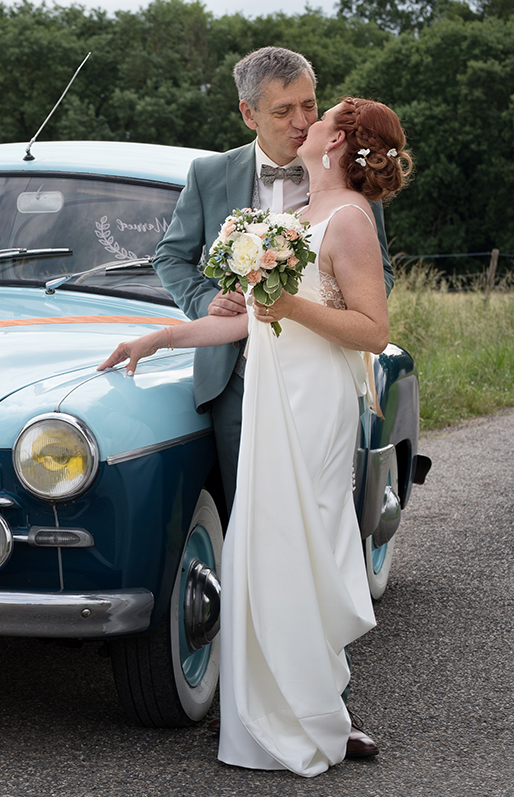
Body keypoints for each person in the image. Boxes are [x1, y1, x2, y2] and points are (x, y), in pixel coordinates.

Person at [98, 96, 414, 776]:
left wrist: (292, 303)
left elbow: (374, 329)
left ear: (337, 146)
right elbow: (247, 323)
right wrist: (159, 337)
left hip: (315, 405)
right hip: (272, 402)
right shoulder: (294, 220)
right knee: (262, 553)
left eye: (321, 119)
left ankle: (313, 716)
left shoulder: (352, 221)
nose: (308, 125)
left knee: (302, 550)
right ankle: (273, 717)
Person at [151, 46, 394, 516]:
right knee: (247, 510)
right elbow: (171, 257)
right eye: (283, 111)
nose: (301, 122)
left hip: (319, 372)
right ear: (250, 113)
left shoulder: (347, 174)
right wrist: (207, 303)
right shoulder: (209, 174)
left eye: (308, 105)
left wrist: (320, 308)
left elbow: (378, 273)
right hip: (235, 376)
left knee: (320, 506)